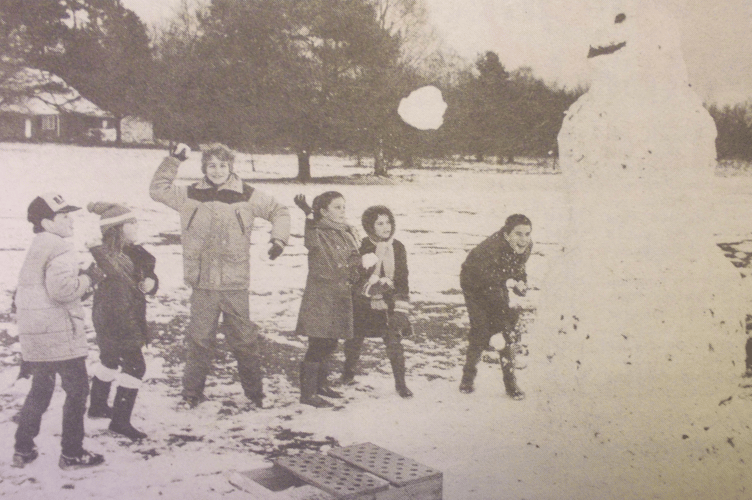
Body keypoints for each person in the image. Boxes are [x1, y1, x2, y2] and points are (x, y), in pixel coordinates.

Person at [150, 143, 290, 409]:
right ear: (204, 168)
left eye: (222, 165)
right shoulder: (188, 194)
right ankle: (192, 393)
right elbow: (157, 189)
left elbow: (280, 212)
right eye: (211, 165)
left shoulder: (247, 195)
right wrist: (174, 160)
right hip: (202, 284)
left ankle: (255, 393)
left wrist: (278, 240)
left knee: (245, 341)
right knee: (199, 340)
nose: (217, 171)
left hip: (235, 283)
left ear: (231, 167)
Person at [12, 193, 106, 470]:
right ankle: (72, 453)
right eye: (64, 216)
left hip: (37, 332)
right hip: (60, 333)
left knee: (40, 390)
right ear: (47, 222)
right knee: (77, 392)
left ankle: (23, 448)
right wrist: (89, 277)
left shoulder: (38, 245)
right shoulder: (62, 248)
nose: (71, 220)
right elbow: (62, 290)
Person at [87, 202, 158, 440]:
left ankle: (97, 406)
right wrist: (129, 325)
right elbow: (116, 289)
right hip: (119, 317)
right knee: (135, 366)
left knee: (108, 358)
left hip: (108, 317)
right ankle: (119, 422)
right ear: (116, 229)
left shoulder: (128, 253)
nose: (136, 225)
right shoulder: (108, 259)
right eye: (131, 222)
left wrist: (151, 282)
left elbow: (145, 273)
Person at [293, 192, 360, 408]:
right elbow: (311, 228)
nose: (343, 211)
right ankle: (308, 393)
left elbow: (352, 258)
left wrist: (359, 268)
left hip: (340, 295)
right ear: (323, 212)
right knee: (318, 343)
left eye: (344, 207)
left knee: (330, 342)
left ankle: (321, 385)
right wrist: (309, 213)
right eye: (337, 207)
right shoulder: (317, 232)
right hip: (321, 297)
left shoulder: (346, 232)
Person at [459, 214, 532, 400]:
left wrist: (521, 283)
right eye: (518, 234)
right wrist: (508, 282)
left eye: (527, 234)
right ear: (507, 234)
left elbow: (519, 268)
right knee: (481, 331)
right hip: (474, 286)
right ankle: (467, 379)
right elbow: (485, 282)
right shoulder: (491, 249)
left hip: (496, 285)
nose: (523, 239)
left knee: (505, 333)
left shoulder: (526, 246)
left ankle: (510, 385)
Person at [343, 205, 414, 398]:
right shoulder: (362, 245)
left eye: (388, 222)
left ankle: (401, 384)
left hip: (389, 304)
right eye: (379, 223)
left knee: (394, 342)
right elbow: (354, 276)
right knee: (354, 340)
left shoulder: (397, 247)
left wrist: (401, 307)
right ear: (369, 226)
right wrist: (372, 283)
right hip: (363, 304)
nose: (386, 227)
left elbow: (402, 278)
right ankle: (347, 373)